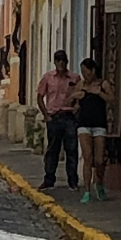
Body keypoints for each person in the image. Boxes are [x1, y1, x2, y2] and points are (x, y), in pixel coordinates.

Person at [37, 49, 79, 190]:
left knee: (71, 149)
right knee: (52, 149)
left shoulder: (74, 78)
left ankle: (72, 180)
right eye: (58, 60)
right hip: (54, 117)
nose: (61, 63)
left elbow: (80, 94)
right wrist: (46, 115)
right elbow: (40, 97)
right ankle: (49, 179)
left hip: (69, 117)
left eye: (63, 60)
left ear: (66, 62)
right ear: (55, 62)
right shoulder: (48, 78)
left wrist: (76, 109)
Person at [74, 58, 113, 203]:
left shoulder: (103, 84)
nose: (85, 75)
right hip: (84, 124)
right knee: (87, 157)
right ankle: (87, 190)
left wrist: (99, 93)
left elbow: (112, 99)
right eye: (82, 72)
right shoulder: (80, 85)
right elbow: (70, 101)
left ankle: (99, 183)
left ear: (93, 71)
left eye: (86, 72)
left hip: (99, 124)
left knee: (99, 160)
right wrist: (74, 99)